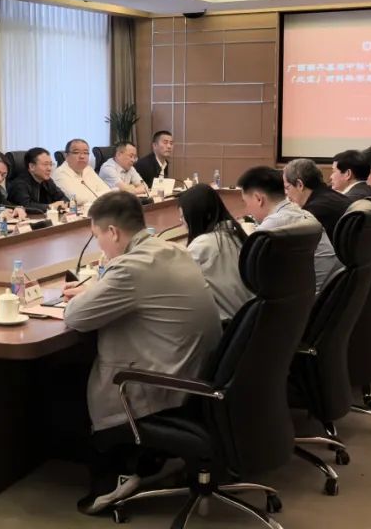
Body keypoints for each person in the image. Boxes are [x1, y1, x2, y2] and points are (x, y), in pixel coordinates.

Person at [62, 191, 221, 515]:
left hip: (163, 384)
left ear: (112, 232)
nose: (100, 247)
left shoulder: (131, 268)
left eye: (97, 237)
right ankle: (152, 459)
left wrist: (91, 289)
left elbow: (76, 316)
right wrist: (99, 286)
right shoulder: (171, 250)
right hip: (198, 375)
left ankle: (114, 475)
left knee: (69, 379)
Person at [239, 166, 339, 294]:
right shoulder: (298, 212)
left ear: (259, 199)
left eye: (245, 202)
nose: (246, 209)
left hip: (310, 298)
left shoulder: (275, 223)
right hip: (321, 295)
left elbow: (246, 261)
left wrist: (247, 231)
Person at [178, 184, 254, 322]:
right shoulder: (235, 233)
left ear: (195, 216)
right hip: (251, 319)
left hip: (229, 325)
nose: (182, 223)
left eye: (183, 217)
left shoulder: (202, 245)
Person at [283, 158, 353, 242]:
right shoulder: (336, 197)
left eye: (287, 187)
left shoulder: (313, 213)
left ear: (299, 184)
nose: (286, 193)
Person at [7, 147, 69, 214]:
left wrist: (62, 204)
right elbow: (26, 206)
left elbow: (63, 198)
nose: (49, 169)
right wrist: (50, 206)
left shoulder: (47, 181)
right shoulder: (19, 184)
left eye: (51, 164)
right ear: (32, 167)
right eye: (45, 164)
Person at [53, 138, 112, 204]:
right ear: (66, 156)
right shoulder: (60, 173)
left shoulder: (88, 169)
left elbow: (108, 192)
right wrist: (99, 194)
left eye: (86, 153)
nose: (82, 156)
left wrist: (89, 196)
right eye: (76, 152)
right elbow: (77, 199)